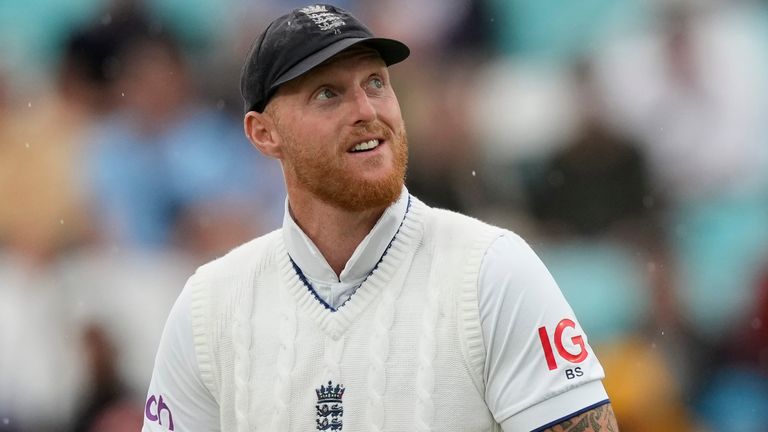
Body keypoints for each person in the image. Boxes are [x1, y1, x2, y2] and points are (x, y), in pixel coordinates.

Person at [143, 4, 619, 431]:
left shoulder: (490, 271)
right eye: (328, 93)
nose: (367, 111)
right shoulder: (207, 307)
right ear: (264, 134)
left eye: (375, 82)